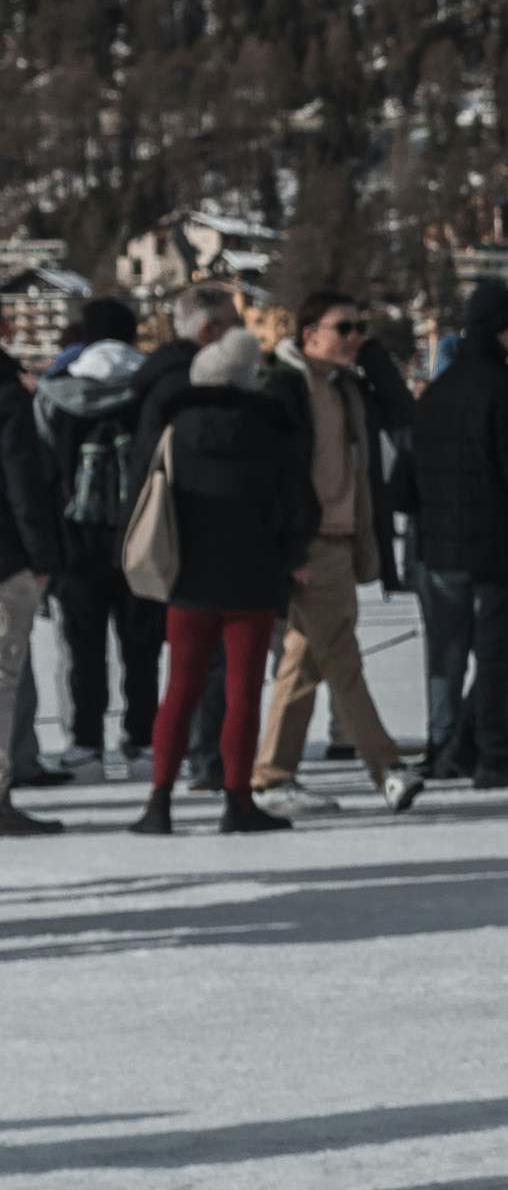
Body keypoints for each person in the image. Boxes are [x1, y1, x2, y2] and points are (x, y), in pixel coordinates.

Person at [134, 324, 316, 839]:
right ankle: (238, 801)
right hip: (253, 583)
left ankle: (159, 802)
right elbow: (302, 510)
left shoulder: (175, 429)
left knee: (179, 691)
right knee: (242, 693)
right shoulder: (274, 433)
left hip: (187, 581)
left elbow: (146, 490)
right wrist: (283, 556)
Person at [399, 280, 508, 794]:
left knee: (453, 650)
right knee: (502, 647)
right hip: (496, 545)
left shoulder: (438, 391)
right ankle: (493, 751)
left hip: (441, 545)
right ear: (505, 326)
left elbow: (406, 481)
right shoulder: (501, 386)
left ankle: (455, 744)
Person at [252, 287, 416, 808]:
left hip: (344, 541)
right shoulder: (282, 385)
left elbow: (401, 411)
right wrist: (289, 549)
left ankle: (273, 775)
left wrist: (367, 354)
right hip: (311, 546)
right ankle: (386, 766)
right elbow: (271, 474)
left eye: (360, 329)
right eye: (344, 329)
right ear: (309, 335)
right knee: (340, 658)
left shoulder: (345, 388)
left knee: (303, 661)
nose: (354, 338)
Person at [39, 295, 160, 775]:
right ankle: (142, 740)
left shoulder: (56, 396)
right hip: (142, 540)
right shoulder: (152, 389)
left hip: (76, 545)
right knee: (143, 648)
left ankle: (87, 743)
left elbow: (43, 474)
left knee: (84, 650)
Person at [0, 330, 62, 836]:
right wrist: (41, 556)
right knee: (3, 683)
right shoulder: (7, 393)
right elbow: (23, 480)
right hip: (5, 560)